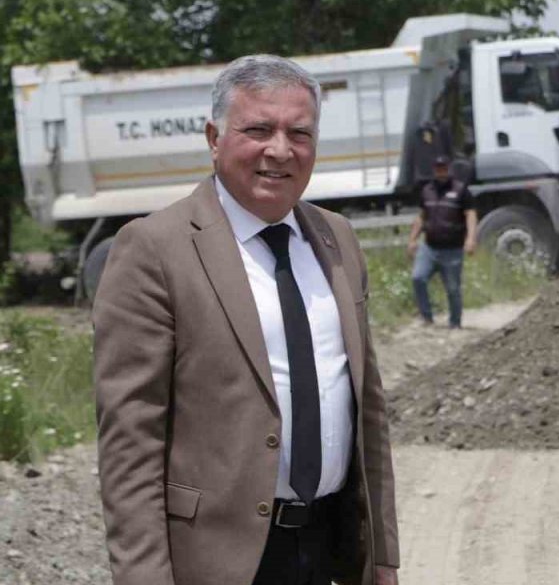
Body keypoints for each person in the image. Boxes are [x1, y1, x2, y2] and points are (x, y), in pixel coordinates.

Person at [93, 55, 398, 585]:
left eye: (299, 133)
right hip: (220, 561)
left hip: (335, 551)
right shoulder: (155, 250)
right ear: (214, 137)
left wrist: (384, 558)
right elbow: (130, 440)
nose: (280, 150)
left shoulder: (338, 240)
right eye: (258, 129)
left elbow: (368, 411)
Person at [406, 155, 477, 328]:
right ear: (434, 169)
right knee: (418, 278)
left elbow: (471, 214)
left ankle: (455, 322)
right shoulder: (427, 190)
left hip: (452, 249)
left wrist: (471, 238)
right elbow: (422, 217)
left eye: (444, 168)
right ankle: (427, 318)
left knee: (453, 288)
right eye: (438, 168)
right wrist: (412, 239)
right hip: (429, 247)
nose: (441, 171)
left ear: (449, 168)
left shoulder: (460, 190)